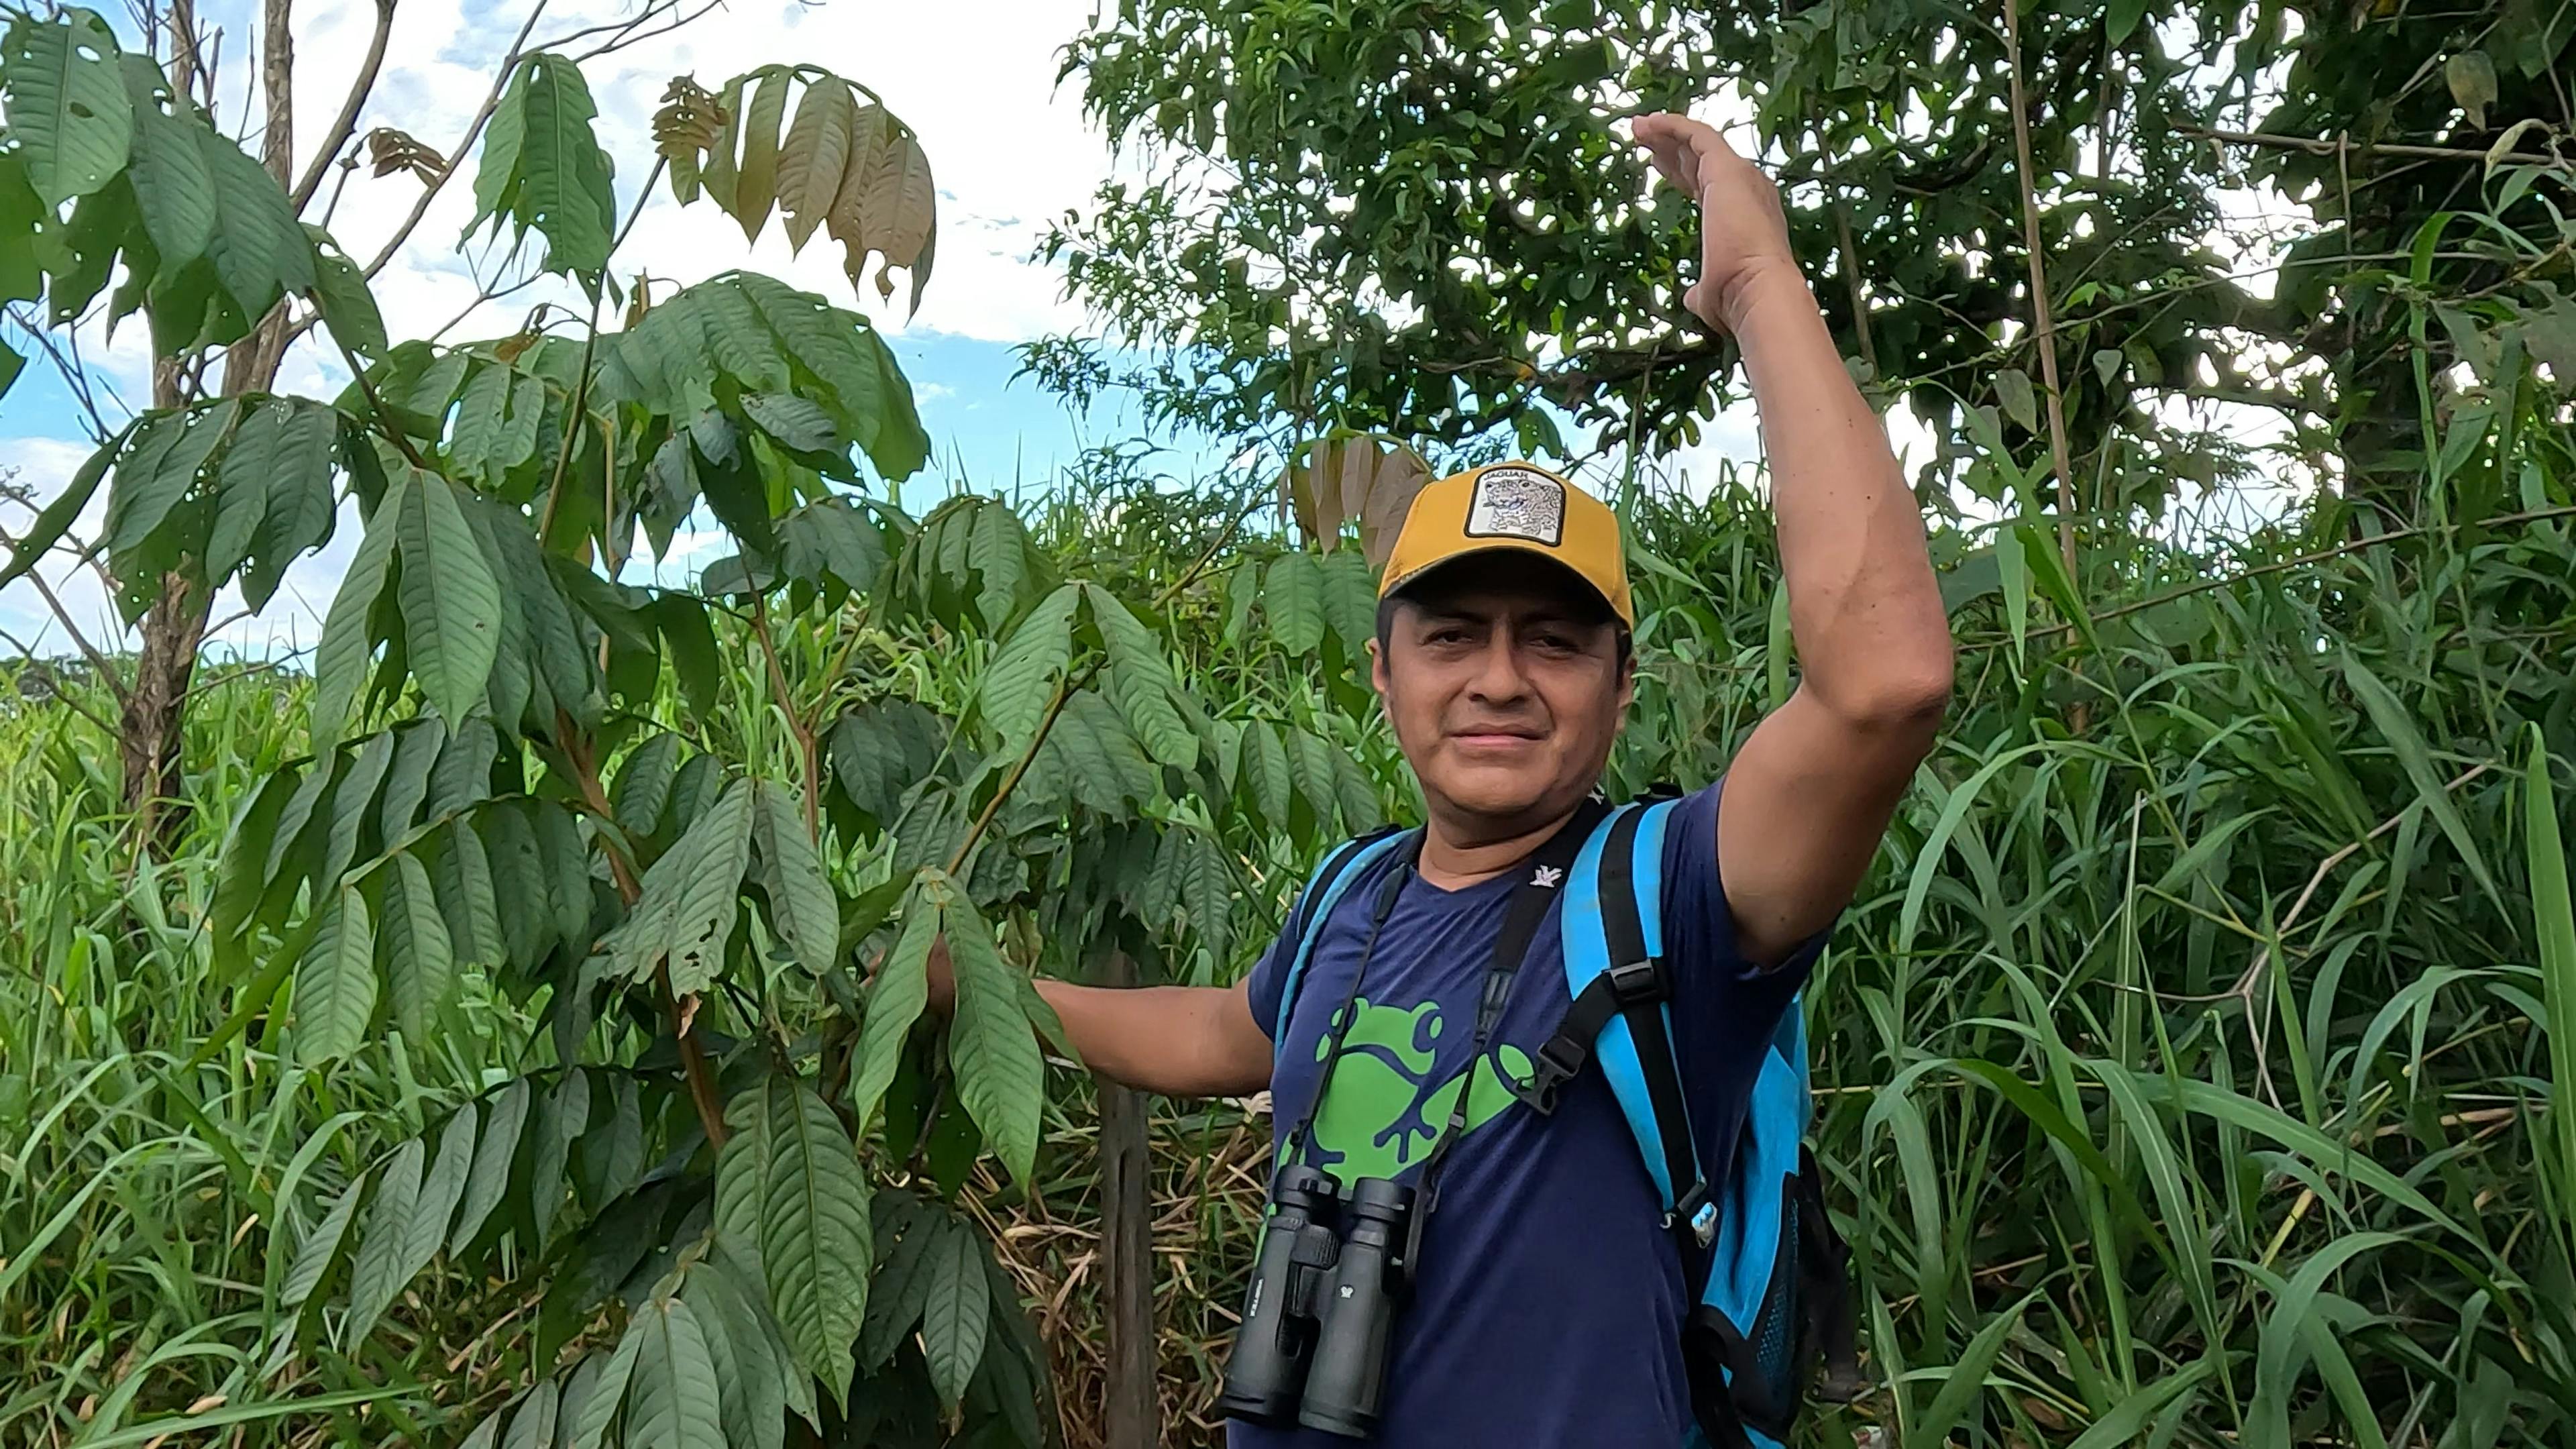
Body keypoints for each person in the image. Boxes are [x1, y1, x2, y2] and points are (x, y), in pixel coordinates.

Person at [928, 112, 1953, 1446]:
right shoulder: (1350, 892)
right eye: (1454, 634)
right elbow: (1217, 1039)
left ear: (1622, 686)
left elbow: (1884, 686)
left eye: (1556, 640)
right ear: (1382, 672)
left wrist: (1758, 281)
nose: (1499, 677)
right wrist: (975, 987)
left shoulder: (1674, 903)